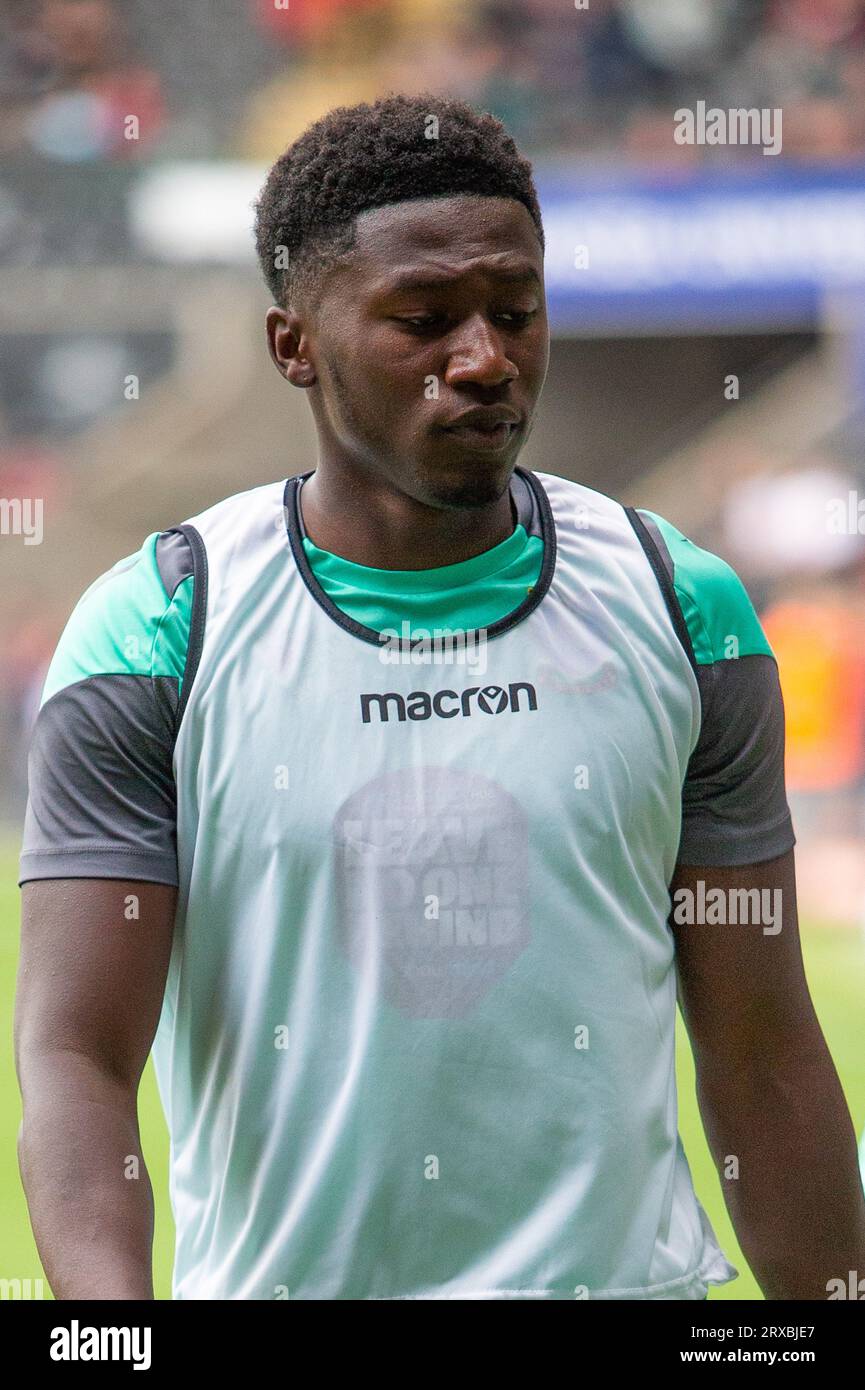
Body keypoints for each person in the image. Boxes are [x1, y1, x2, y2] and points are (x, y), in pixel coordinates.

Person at [15, 93, 865, 1301]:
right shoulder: (162, 628)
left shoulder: (684, 606)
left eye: (514, 311)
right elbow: (76, 1055)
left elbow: (763, 1045)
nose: (483, 358)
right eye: (423, 320)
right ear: (292, 344)